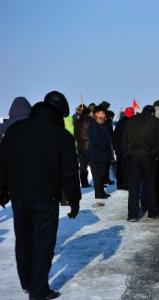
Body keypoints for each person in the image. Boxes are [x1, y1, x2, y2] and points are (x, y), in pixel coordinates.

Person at [0, 91, 81, 300]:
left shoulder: (14, 130)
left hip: (19, 197)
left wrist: (2, 191)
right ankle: (38, 290)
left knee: (24, 240)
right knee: (42, 243)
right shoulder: (61, 136)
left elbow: (3, 164)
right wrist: (74, 199)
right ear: (58, 113)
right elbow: (70, 172)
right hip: (46, 198)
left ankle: (27, 281)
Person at [122, 104, 159, 221]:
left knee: (133, 187)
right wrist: (156, 153)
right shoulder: (155, 121)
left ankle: (132, 215)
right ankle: (153, 212)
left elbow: (124, 139)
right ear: (152, 113)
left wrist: (126, 153)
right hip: (148, 156)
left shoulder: (130, 121)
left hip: (132, 157)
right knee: (150, 185)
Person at [89, 106, 113, 199]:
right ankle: (98, 193)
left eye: (104, 113)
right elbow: (96, 140)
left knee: (103, 174)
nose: (103, 114)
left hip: (105, 154)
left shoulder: (104, 124)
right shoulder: (93, 125)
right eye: (101, 113)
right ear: (96, 114)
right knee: (98, 175)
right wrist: (104, 146)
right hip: (98, 154)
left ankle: (101, 191)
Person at [113, 107, 134, 190]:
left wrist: (116, 147)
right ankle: (126, 185)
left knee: (120, 167)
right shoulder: (130, 123)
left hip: (119, 149)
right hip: (126, 149)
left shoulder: (119, 123)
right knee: (127, 168)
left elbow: (114, 136)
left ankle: (120, 184)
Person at [74, 105, 94, 188]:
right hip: (91, 146)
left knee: (82, 166)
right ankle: (97, 182)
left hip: (80, 146)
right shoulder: (92, 120)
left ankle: (84, 183)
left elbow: (75, 135)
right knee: (94, 166)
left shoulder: (77, 122)